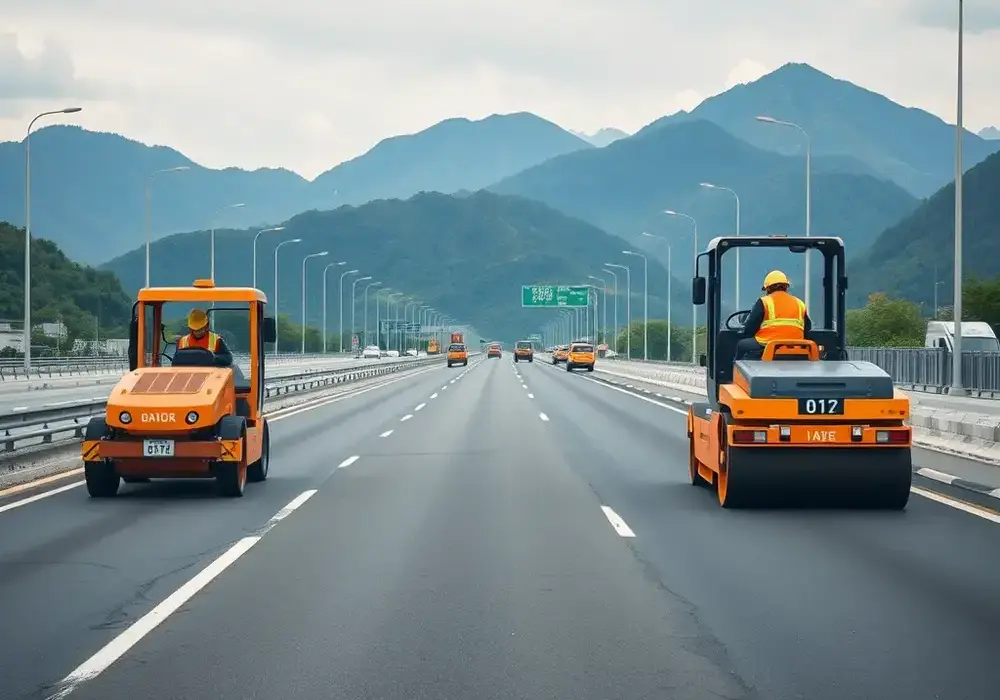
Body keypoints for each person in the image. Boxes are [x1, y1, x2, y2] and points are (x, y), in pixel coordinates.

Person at [735, 270, 812, 360]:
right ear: (786, 287)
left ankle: (734, 371)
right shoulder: (800, 303)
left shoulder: (764, 302)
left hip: (767, 344)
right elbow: (807, 328)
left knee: (741, 345)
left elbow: (750, 327)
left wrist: (745, 333)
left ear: (768, 288)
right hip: (796, 346)